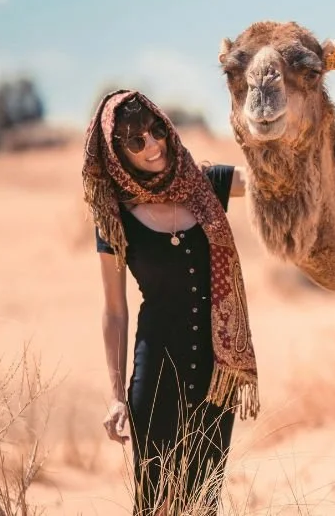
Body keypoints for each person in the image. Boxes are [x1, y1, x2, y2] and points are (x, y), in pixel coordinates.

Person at [81, 89, 260, 515]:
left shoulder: (209, 183)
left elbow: (267, 178)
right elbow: (114, 311)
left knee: (203, 503)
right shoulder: (114, 215)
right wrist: (115, 395)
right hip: (157, 375)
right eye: (136, 141)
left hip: (217, 375)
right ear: (117, 153)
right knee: (156, 504)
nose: (153, 144)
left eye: (155, 130)